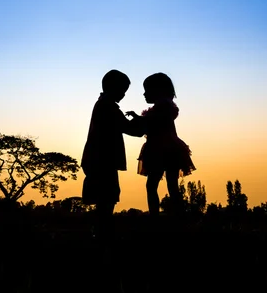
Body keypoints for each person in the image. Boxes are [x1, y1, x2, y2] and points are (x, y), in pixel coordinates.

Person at [81, 69, 144, 242]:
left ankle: (102, 234)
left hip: (97, 159)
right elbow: (131, 130)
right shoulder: (108, 106)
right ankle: (103, 236)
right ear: (113, 88)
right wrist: (146, 121)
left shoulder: (103, 104)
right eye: (122, 90)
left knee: (105, 200)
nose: (123, 95)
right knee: (106, 200)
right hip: (102, 160)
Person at [126, 72, 195, 217]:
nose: (144, 94)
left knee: (153, 185)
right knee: (170, 185)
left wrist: (137, 118)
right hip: (168, 148)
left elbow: (152, 122)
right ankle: (175, 216)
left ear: (158, 91)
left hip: (161, 149)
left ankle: (156, 217)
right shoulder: (165, 107)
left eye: (147, 90)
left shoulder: (163, 107)